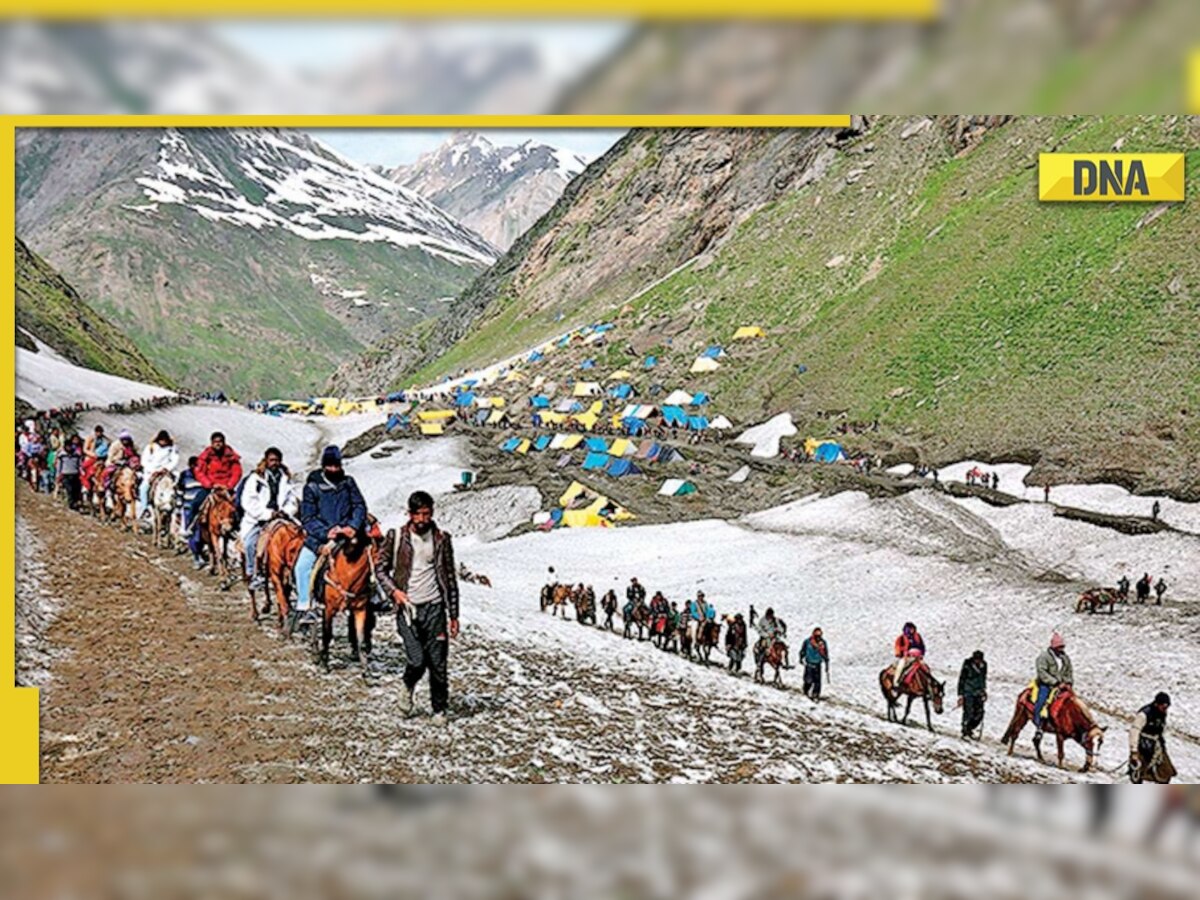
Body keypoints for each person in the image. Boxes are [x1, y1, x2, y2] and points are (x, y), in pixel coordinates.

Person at [378, 491, 460, 722]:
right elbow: (380, 569)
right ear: (410, 514)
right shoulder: (396, 537)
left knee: (438, 663)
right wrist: (395, 592)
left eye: (428, 513)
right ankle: (407, 687)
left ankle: (439, 709)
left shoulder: (442, 539)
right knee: (417, 660)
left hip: (435, 608)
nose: (424, 519)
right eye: (419, 514)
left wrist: (453, 614)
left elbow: (450, 579)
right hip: (407, 609)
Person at [295, 445, 367, 626]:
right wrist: (326, 532)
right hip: (320, 537)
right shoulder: (312, 487)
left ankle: (376, 596)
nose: (334, 469)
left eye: (337, 466)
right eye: (330, 466)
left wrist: (352, 526)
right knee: (302, 567)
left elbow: (359, 506)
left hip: (347, 535)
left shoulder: (348, 483)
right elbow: (308, 517)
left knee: (371, 558)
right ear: (324, 466)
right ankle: (306, 606)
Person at [238, 447, 297, 592]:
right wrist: (267, 514)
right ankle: (254, 574)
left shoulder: (286, 478)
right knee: (251, 542)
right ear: (266, 460)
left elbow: (292, 499)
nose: (274, 463)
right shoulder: (256, 479)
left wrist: (286, 511)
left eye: (277, 460)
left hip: (282, 516)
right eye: (271, 460)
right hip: (261, 519)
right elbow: (248, 501)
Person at [185, 433, 242, 564]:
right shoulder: (206, 456)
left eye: (220, 441)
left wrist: (229, 485)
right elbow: (199, 471)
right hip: (210, 486)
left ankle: (237, 528)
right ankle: (191, 527)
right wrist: (209, 484)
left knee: (237, 505)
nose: (218, 444)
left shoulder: (230, 455)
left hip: (227, 486)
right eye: (215, 441)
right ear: (211, 443)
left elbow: (236, 471)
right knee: (196, 503)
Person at [1033, 633, 1074, 734]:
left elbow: (1069, 671)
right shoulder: (1044, 657)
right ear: (1054, 646)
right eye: (1059, 646)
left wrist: (1068, 682)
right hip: (1047, 685)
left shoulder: (1065, 658)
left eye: (1062, 646)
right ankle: (1038, 724)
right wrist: (1055, 683)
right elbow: (1042, 672)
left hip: (1062, 685)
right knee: (1041, 702)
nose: (1061, 649)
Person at [1129, 693, 1172, 783]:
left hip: (1156, 746)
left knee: (1166, 772)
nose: (1165, 710)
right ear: (1157, 704)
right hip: (1142, 746)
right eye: (1163, 707)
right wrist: (1134, 751)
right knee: (1138, 774)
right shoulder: (1144, 714)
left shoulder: (1162, 713)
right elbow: (1134, 731)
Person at [138, 430, 179, 519]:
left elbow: (174, 459)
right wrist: (153, 470)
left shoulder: (172, 448)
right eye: (161, 440)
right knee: (143, 488)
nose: (163, 442)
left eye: (165, 440)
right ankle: (144, 508)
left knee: (176, 486)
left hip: (166, 471)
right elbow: (144, 461)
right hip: (152, 471)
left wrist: (166, 468)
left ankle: (177, 506)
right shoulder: (151, 447)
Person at [175, 457, 205, 566]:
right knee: (193, 533)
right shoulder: (184, 475)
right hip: (188, 507)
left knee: (201, 533)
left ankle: (200, 552)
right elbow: (180, 492)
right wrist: (178, 509)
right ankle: (196, 556)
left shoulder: (204, 476)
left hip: (202, 508)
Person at [957, 650, 988, 739]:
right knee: (968, 712)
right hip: (968, 691)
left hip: (978, 692)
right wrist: (961, 694)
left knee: (979, 713)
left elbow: (983, 678)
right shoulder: (967, 665)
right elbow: (962, 679)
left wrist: (984, 690)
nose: (978, 662)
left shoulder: (984, 665)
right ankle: (965, 730)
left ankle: (970, 728)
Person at [892, 622, 925, 693]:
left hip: (917, 657)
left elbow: (922, 646)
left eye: (913, 629)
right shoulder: (901, 638)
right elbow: (897, 647)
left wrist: (922, 654)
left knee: (925, 668)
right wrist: (905, 653)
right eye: (910, 629)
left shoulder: (918, 636)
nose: (912, 630)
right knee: (901, 666)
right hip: (906, 657)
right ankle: (896, 682)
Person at [55, 435, 84, 510]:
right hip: (65, 474)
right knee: (69, 490)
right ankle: (71, 504)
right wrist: (58, 476)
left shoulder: (76, 454)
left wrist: (81, 472)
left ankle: (75, 502)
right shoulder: (62, 455)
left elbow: (79, 464)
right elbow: (59, 466)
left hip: (75, 474)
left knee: (76, 490)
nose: (69, 448)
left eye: (70, 446)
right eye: (68, 446)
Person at [800, 628, 829, 701]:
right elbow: (803, 650)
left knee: (817, 681)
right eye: (816, 636)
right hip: (809, 663)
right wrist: (801, 657)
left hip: (818, 664)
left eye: (819, 636)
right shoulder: (807, 641)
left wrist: (826, 661)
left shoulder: (823, 643)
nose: (818, 638)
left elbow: (825, 653)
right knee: (808, 680)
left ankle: (815, 694)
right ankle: (806, 690)